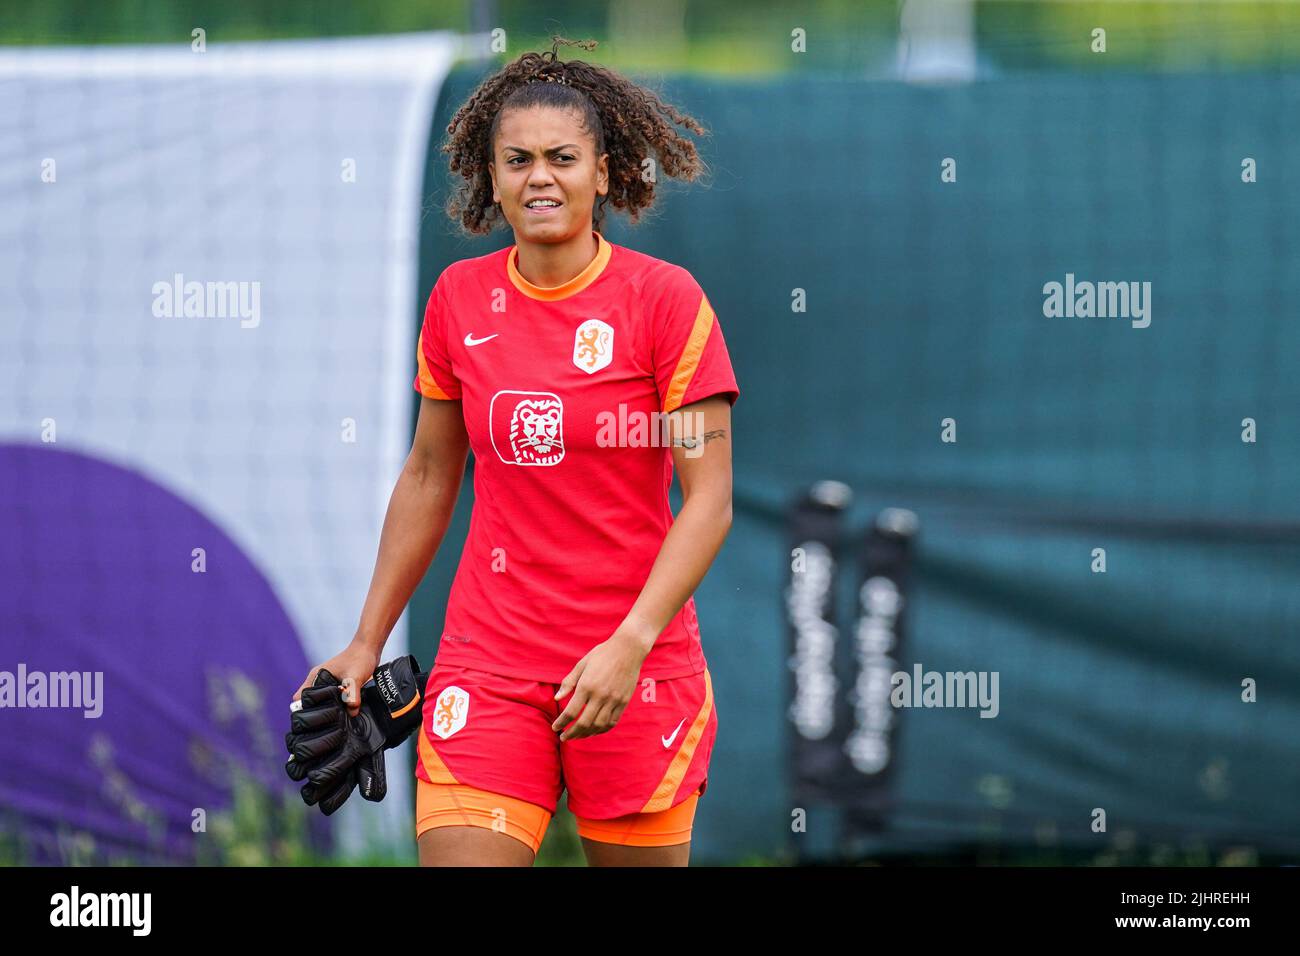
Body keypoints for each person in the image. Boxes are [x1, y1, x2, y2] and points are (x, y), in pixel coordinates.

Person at [293, 36, 739, 867]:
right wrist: (367, 641)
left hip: (636, 664)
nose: (541, 176)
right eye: (518, 160)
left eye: (564, 158)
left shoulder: (666, 302)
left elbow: (709, 498)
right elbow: (430, 474)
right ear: (491, 178)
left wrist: (632, 642)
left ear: (603, 173)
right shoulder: (460, 300)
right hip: (489, 663)